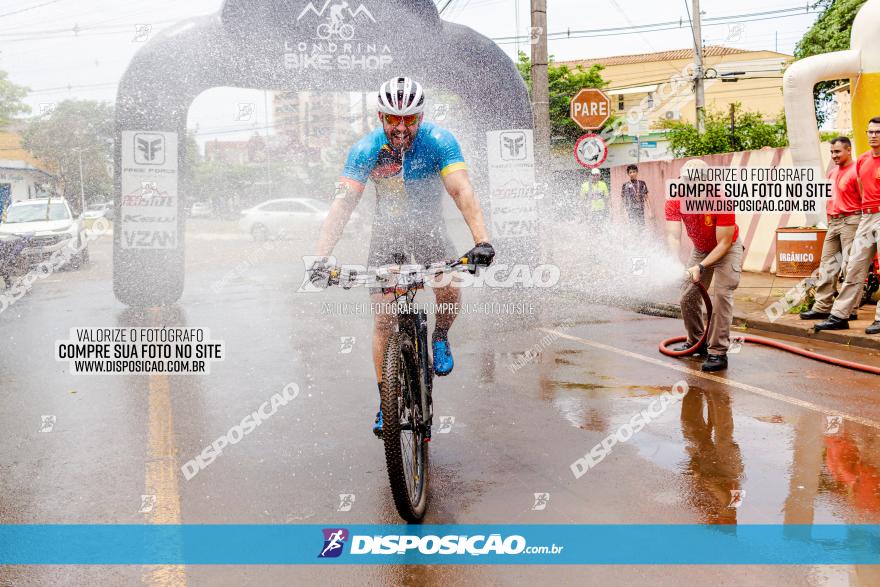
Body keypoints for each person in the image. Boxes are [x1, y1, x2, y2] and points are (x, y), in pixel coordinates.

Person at [308, 76, 495, 436]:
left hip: (429, 231)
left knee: (449, 287)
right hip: (387, 237)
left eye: (410, 119)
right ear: (380, 117)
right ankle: (386, 401)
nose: (402, 127)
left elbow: (461, 190)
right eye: (393, 119)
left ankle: (440, 335)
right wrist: (321, 257)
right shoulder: (365, 150)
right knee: (382, 321)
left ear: (421, 117)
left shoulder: (440, 142)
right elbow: (343, 205)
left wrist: (481, 240)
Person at [665, 159, 743, 372]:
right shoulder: (675, 200)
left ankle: (718, 352)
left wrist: (700, 267)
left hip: (727, 248)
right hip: (701, 248)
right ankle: (698, 342)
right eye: (683, 180)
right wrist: (675, 260)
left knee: (721, 296)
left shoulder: (720, 199)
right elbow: (673, 235)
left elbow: (725, 243)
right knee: (687, 296)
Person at [816, 117, 880, 335]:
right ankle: (840, 315)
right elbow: (864, 193)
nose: (873, 135)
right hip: (866, 216)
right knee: (853, 266)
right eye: (870, 131)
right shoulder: (863, 160)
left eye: (877, 132)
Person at [800, 137, 861, 321]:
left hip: (852, 221)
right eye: (832, 152)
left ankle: (849, 309)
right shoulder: (832, 173)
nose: (834, 155)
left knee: (850, 267)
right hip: (833, 223)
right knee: (827, 266)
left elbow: (865, 198)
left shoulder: (856, 170)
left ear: (848, 150)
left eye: (837, 152)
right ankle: (822, 306)